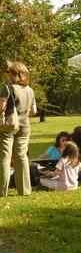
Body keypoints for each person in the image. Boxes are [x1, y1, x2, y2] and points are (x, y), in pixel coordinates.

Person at [0, 61, 37, 197]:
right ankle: (25, 190)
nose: (7, 74)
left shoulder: (7, 88)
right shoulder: (30, 90)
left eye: (9, 72)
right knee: (21, 157)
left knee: (5, 157)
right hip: (25, 126)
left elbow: (1, 107)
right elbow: (33, 111)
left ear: (14, 74)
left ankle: (1, 191)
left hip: (8, 126)